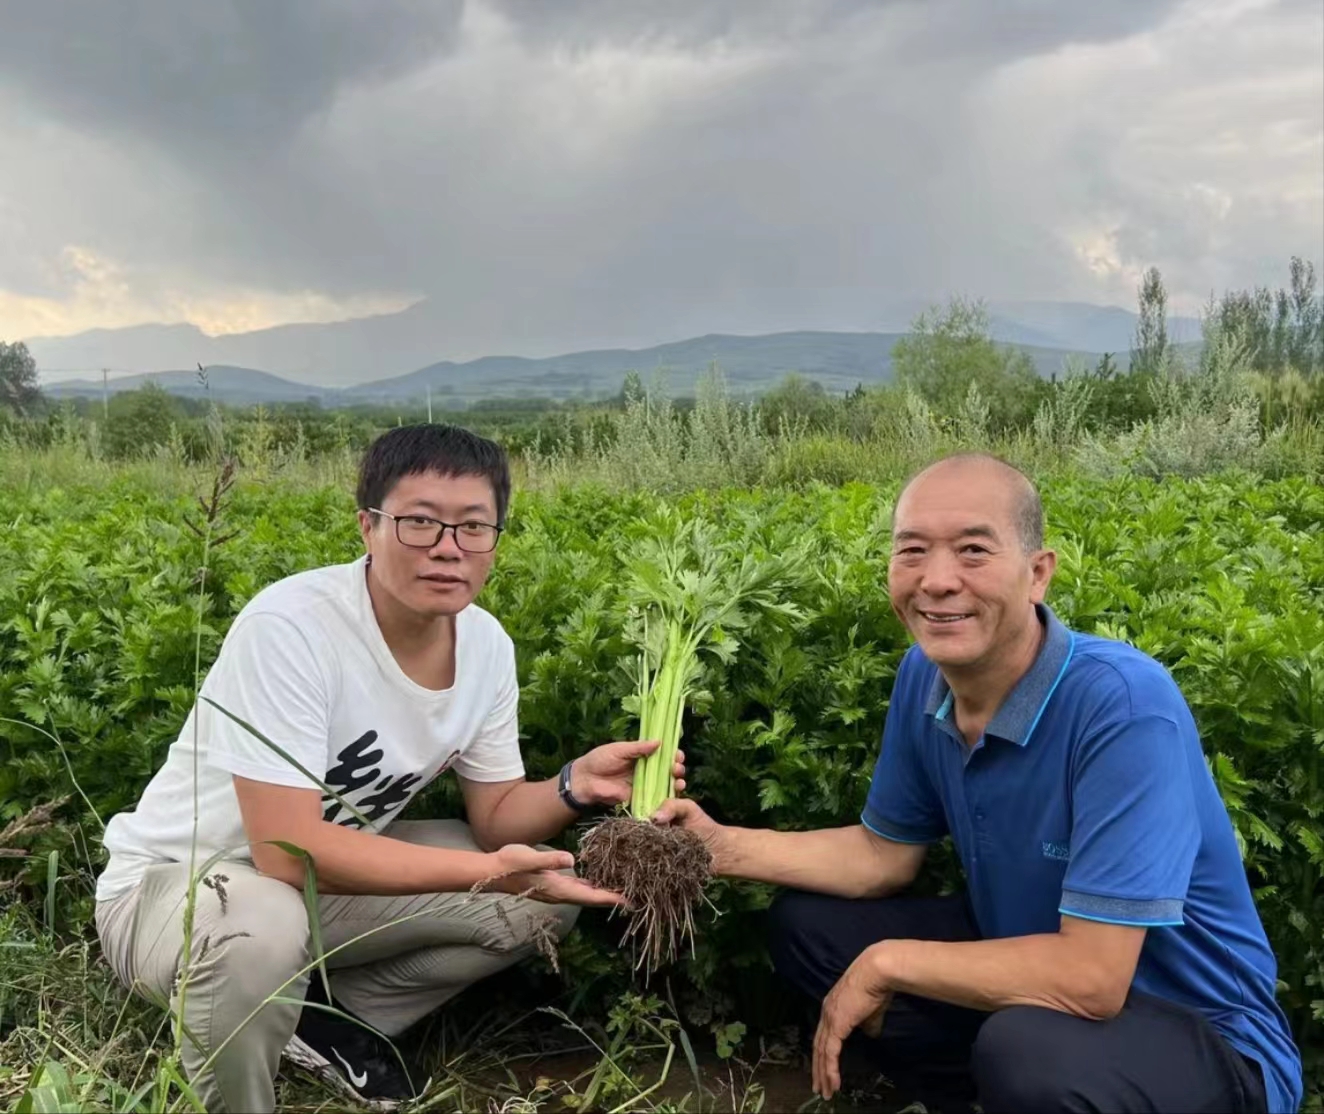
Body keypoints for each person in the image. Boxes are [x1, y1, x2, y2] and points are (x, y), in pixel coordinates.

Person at [655, 452, 1302, 1114]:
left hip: (1204, 1040)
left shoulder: (1123, 706)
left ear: (1037, 573)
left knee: (1026, 1050)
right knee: (809, 926)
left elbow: (1093, 980)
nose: (937, 581)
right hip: (1034, 992)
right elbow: (883, 857)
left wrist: (887, 963)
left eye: (972, 550)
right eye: (912, 551)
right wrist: (715, 846)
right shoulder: (924, 675)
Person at [94, 424, 682, 1114]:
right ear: (367, 526)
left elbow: (495, 818)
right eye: (419, 523)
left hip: (311, 892)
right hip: (178, 894)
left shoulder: (486, 645)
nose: (447, 548)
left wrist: (574, 785)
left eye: (473, 527)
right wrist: (484, 871)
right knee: (259, 929)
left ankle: (327, 1023)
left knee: (536, 905)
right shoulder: (292, 626)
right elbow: (287, 852)